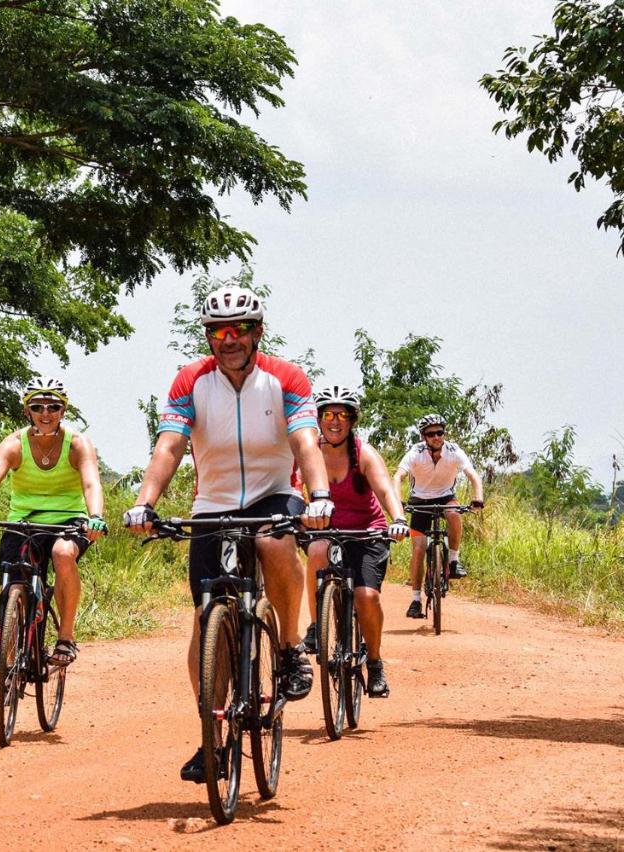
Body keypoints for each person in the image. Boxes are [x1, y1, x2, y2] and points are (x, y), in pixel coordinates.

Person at [122, 285, 332, 785]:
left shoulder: (286, 378)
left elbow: (305, 440)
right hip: (212, 504)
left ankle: (286, 650)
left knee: (274, 542)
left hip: (273, 493)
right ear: (208, 337)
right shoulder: (190, 381)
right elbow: (170, 446)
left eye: (239, 329)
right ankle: (211, 738)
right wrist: (144, 503)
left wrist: (319, 494)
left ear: (258, 331)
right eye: (218, 331)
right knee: (204, 625)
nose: (229, 339)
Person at [0, 377, 107, 666]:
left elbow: (91, 484)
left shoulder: (77, 444)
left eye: (53, 407)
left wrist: (95, 517)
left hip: (69, 520)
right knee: (10, 578)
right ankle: (8, 662)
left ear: (63, 411)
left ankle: (65, 638)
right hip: (23, 521)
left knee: (62, 554)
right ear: (27, 411)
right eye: (38, 407)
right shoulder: (14, 444)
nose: (45, 413)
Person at [300, 385, 409, 698]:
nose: (336, 421)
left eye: (343, 415)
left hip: (367, 533)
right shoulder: (309, 452)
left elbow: (386, 490)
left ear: (352, 420)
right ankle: (315, 626)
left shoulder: (363, 453)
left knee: (365, 597)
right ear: (319, 419)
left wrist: (398, 520)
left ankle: (374, 663)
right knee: (317, 550)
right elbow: (293, 487)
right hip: (325, 530)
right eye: (329, 414)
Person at [393, 413, 485, 619]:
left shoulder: (454, 451)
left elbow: (472, 474)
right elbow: (398, 476)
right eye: (431, 434)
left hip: (445, 497)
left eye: (440, 432)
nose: (436, 437)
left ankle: (453, 560)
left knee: (453, 513)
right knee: (418, 549)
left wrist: (478, 497)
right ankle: (415, 600)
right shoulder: (415, 453)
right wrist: (398, 501)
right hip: (419, 501)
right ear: (423, 437)